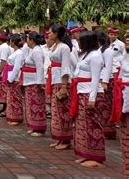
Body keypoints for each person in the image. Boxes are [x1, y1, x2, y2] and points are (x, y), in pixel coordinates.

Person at [70, 31, 105, 168]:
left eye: (81, 41)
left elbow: (96, 78)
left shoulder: (96, 56)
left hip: (90, 92)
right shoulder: (85, 54)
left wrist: (92, 98)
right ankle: (85, 154)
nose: (78, 43)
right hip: (81, 91)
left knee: (93, 125)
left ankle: (96, 157)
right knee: (82, 125)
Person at [47, 24, 73, 150]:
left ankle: (66, 140)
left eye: (50, 32)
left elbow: (65, 67)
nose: (48, 34)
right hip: (54, 79)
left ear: (56, 33)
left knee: (63, 111)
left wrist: (64, 86)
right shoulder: (54, 46)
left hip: (61, 82)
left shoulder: (64, 48)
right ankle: (59, 138)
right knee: (56, 112)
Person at [109, 32, 129, 177]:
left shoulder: (120, 47)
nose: (127, 39)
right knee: (125, 131)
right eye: (127, 36)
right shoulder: (125, 55)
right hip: (122, 93)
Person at [22, 31, 46, 137]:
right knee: (31, 104)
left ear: (32, 40)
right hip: (29, 81)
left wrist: (39, 82)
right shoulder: (32, 50)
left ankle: (39, 128)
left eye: (28, 39)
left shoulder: (37, 51)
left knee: (36, 105)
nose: (26, 41)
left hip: (34, 82)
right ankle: (33, 125)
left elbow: (40, 67)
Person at [97, 31, 116, 140]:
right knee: (102, 105)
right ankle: (104, 128)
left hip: (107, 80)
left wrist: (105, 81)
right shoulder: (99, 50)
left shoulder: (108, 51)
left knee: (107, 106)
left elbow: (108, 67)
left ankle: (109, 130)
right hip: (100, 78)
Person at [5, 34, 24, 125]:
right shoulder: (15, 52)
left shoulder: (19, 53)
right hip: (10, 74)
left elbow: (17, 68)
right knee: (11, 98)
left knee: (15, 98)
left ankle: (17, 118)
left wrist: (11, 79)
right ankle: (12, 116)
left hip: (15, 78)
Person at [0, 31, 12, 116]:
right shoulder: (0, 47)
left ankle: (5, 109)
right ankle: (2, 107)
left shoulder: (4, 48)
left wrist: (0, 72)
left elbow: (3, 61)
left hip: (2, 72)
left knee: (3, 91)